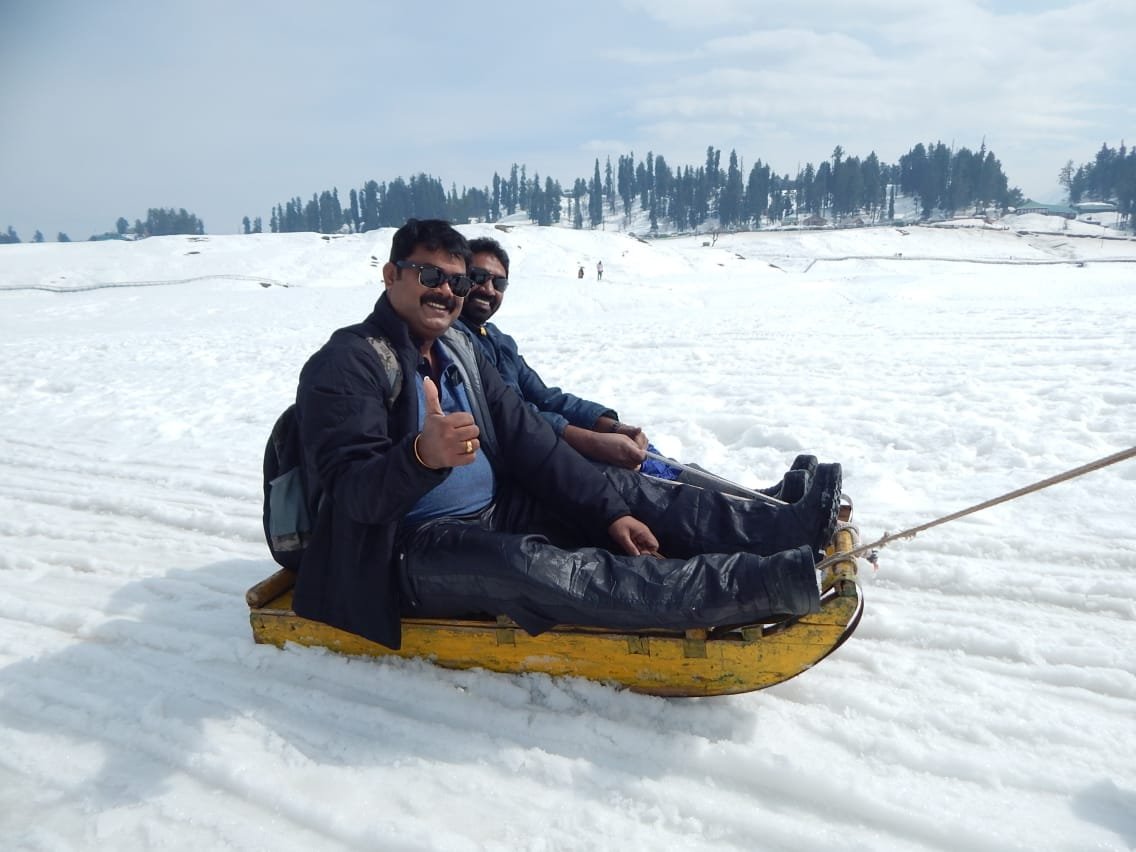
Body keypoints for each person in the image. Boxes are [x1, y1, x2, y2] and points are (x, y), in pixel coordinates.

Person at [291, 218, 842, 651]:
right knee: (535, 569)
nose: (447, 292)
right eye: (429, 276)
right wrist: (420, 456)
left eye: (456, 281)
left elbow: (532, 440)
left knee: (628, 491)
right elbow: (353, 495)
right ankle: (757, 586)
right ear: (392, 275)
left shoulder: (461, 350)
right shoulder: (347, 364)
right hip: (405, 552)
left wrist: (610, 512)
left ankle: (784, 526)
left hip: (496, 507)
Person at [457, 236, 812, 498]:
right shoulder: (457, 342)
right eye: (478, 277)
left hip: (544, 439)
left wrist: (611, 424)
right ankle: (757, 514)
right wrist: (591, 440)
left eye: (498, 282)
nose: (488, 289)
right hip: (525, 457)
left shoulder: (498, 339)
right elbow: (515, 415)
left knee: (650, 456)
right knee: (638, 479)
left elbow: (548, 397)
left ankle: (752, 499)